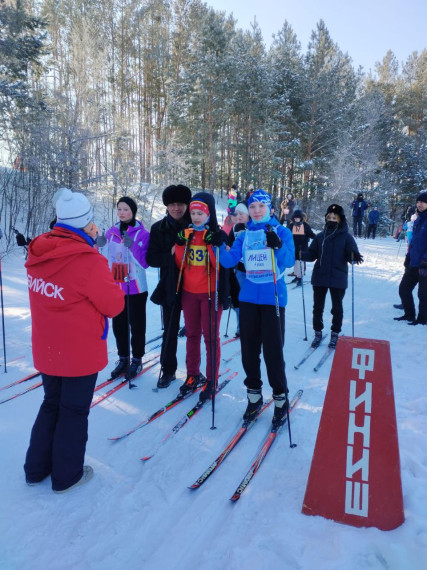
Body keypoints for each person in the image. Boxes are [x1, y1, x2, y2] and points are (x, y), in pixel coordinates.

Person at [24, 189, 124, 493]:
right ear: (85, 225)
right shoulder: (87, 260)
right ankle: (66, 475)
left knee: (51, 404)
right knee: (73, 411)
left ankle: (36, 468)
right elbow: (114, 305)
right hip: (78, 353)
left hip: (48, 349)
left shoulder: (38, 250)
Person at [214, 189, 295, 427]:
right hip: (248, 298)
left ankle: (280, 398)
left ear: (270, 209)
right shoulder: (243, 235)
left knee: (273, 352)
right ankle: (254, 396)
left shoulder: (281, 231)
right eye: (252, 207)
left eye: (261, 206)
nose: (256, 211)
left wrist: (278, 245)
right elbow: (229, 261)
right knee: (249, 351)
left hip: (273, 299)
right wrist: (219, 245)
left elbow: (289, 261)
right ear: (248, 210)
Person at [174, 192, 229, 401]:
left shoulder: (214, 234)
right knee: (192, 335)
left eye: (200, 213)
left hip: (210, 294)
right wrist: (180, 243)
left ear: (209, 215)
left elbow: (219, 266)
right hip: (189, 293)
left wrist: (212, 243)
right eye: (193, 213)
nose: (196, 217)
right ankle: (192, 374)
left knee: (211, 338)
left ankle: (212, 379)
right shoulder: (187, 233)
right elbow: (180, 265)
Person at [98, 197, 150, 380]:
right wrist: (98, 244)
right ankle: (123, 358)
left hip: (136, 288)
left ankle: (137, 359)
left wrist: (133, 246)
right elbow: (104, 257)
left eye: (126, 209)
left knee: (137, 326)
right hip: (117, 287)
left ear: (133, 212)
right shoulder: (111, 233)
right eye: (119, 209)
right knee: (119, 326)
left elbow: (145, 264)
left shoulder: (143, 234)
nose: (121, 212)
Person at [146, 184, 192, 389]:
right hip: (169, 285)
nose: (176, 208)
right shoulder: (158, 228)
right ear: (167, 206)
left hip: (194, 285)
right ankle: (168, 369)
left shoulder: (196, 224)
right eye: (172, 204)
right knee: (170, 329)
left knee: (194, 331)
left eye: (180, 204)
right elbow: (151, 258)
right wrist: (171, 255)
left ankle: (194, 371)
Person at [303, 204, 363, 349]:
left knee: (337, 308)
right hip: (320, 277)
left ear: (340, 219)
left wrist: (354, 256)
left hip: (338, 278)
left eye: (334, 218)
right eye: (329, 217)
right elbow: (311, 255)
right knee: (318, 307)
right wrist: (299, 254)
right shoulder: (320, 237)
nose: (331, 219)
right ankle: (317, 332)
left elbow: (351, 256)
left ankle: (335, 333)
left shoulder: (347, 237)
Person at [394, 191, 427, 325]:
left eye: (422, 202)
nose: (419, 204)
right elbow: (414, 241)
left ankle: (422, 319)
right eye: (418, 202)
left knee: (423, 295)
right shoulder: (419, 219)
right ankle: (409, 314)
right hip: (414, 262)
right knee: (404, 289)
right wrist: (408, 256)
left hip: (424, 264)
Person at [227, 202, 250, 337]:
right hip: (240, 269)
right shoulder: (235, 227)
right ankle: (241, 326)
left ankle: (253, 325)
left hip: (255, 270)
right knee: (239, 298)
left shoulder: (255, 228)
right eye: (237, 214)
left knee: (251, 299)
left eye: (242, 213)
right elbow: (229, 244)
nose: (239, 216)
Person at [287, 210, 316, 286]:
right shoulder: (291, 225)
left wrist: (317, 238)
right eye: (295, 218)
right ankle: (297, 276)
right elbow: (287, 235)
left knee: (300, 262)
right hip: (294, 247)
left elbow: (311, 234)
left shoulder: (305, 225)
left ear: (301, 218)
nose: (296, 219)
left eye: (298, 218)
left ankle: (300, 278)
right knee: (296, 262)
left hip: (303, 247)